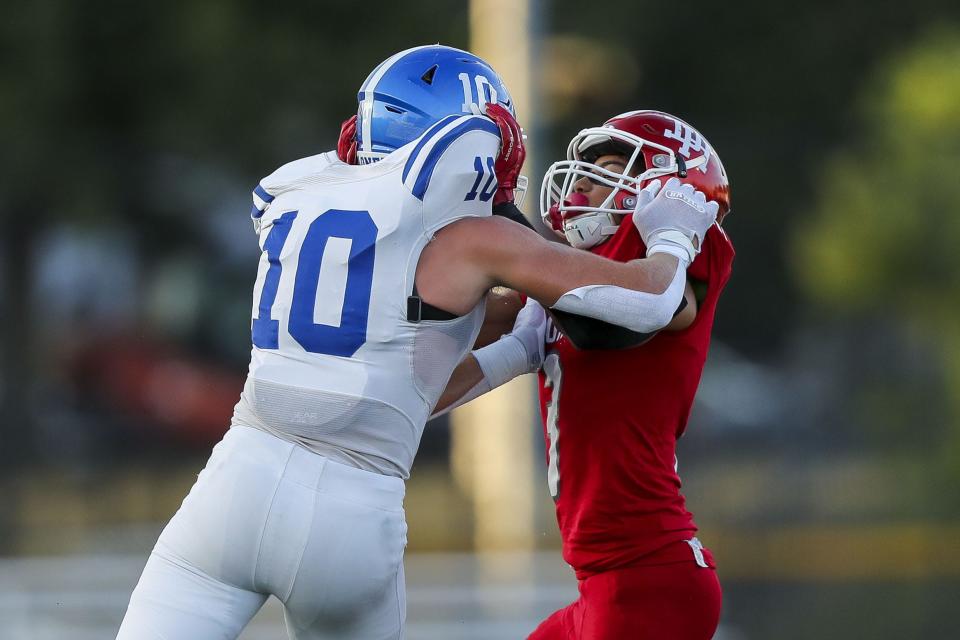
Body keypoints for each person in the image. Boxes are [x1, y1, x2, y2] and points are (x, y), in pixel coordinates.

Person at [116, 43, 720, 639]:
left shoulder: (300, 200)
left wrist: (521, 342)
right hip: (353, 505)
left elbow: (414, 388)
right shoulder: (472, 239)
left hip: (236, 477)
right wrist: (672, 237)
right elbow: (646, 299)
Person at [435, 110, 735, 640]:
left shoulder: (674, 259)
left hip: (648, 578)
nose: (588, 188)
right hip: (605, 586)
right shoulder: (581, 292)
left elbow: (650, 309)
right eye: (588, 174)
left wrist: (514, 233)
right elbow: (501, 350)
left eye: (612, 170)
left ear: (669, 188)